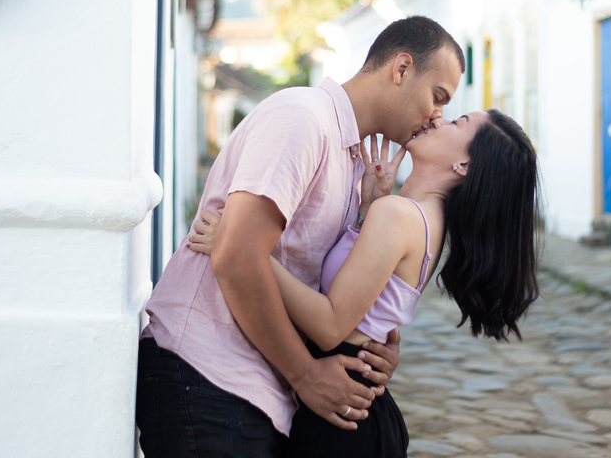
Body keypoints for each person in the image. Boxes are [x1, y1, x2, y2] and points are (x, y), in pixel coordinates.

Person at [136, 16, 466, 458]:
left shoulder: (354, 160)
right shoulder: (302, 119)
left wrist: (373, 348)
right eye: (437, 97)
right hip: (207, 375)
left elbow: (318, 287)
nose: (436, 117)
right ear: (401, 69)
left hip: (258, 391)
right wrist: (306, 374)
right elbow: (235, 256)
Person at [188, 108, 541, 457]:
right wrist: (367, 210)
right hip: (354, 405)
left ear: (463, 166)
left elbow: (329, 325)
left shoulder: (400, 216)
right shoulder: (418, 217)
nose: (438, 118)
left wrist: (245, 246)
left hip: (341, 413)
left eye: (457, 122)